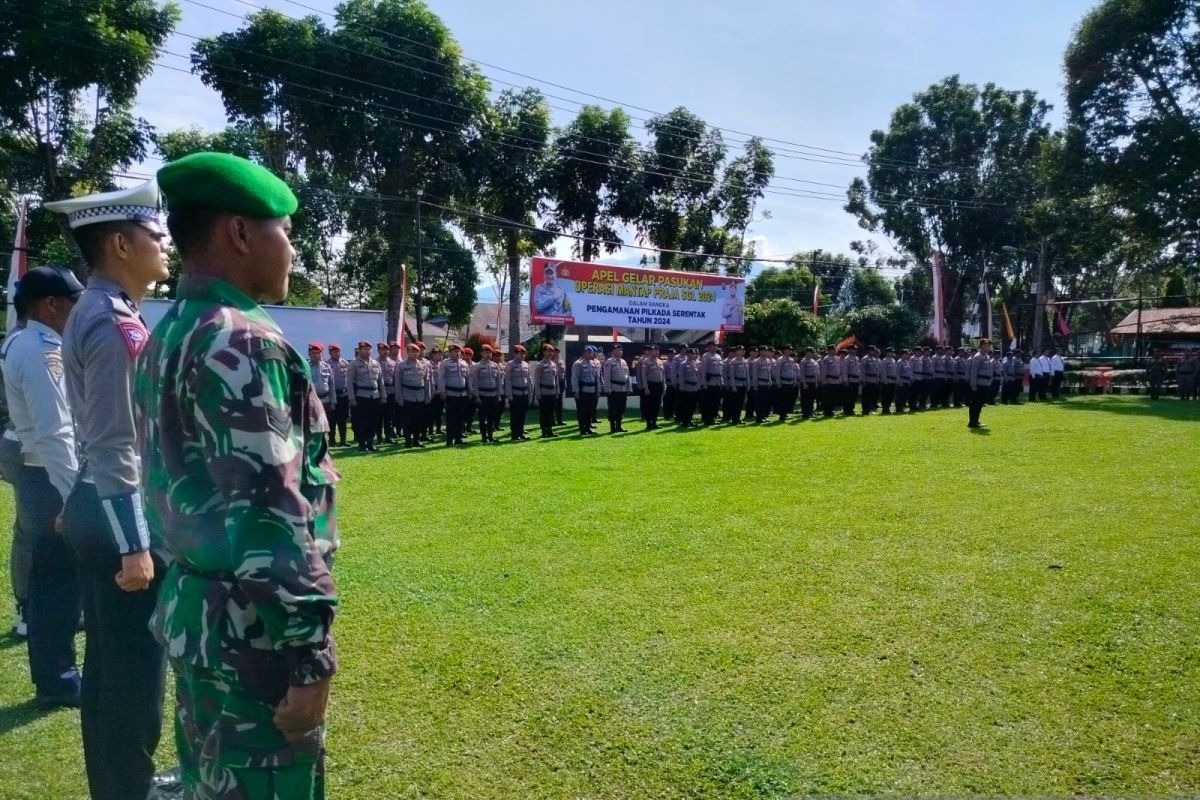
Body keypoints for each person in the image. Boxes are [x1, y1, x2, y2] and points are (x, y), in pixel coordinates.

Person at [137, 152, 339, 799]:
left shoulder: (166, 334)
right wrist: (309, 654)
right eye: (283, 228)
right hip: (254, 639)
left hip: (201, 623)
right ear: (240, 233)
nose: (292, 246)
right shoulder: (241, 340)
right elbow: (267, 513)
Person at [48, 179, 178, 800]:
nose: (166, 245)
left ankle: (121, 783)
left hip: (96, 506)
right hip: (122, 516)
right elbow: (113, 439)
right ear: (121, 244)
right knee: (133, 671)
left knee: (108, 666)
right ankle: (133, 788)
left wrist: (78, 503)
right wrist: (134, 544)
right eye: (156, 235)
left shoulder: (99, 312)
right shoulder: (112, 323)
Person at [1, 266, 84, 708]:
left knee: (52, 576)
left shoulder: (25, 341)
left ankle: (57, 671)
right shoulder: (40, 350)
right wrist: (72, 495)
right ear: (51, 306)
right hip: (47, 472)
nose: (78, 311)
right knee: (57, 577)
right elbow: (55, 430)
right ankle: (58, 678)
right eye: (73, 303)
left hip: (39, 468)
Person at [0, 308, 31, 640]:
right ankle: (27, 609)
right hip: (27, 446)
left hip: (24, 443)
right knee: (32, 533)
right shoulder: (26, 343)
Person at [347, 340, 382, 452]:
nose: (367, 351)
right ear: (359, 350)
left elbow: (380, 381)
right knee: (361, 421)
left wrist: (383, 396)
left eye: (368, 349)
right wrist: (352, 398)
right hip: (361, 396)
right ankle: (362, 444)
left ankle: (370, 442)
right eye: (364, 349)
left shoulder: (376, 363)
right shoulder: (354, 364)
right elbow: (350, 382)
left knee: (373, 420)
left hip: (375, 396)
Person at [396, 343, 431, 448]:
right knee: (408, 420)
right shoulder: (401, 365)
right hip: (407, 395)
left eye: (416, 351)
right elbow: (398, 383)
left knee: (418, 420)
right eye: (411, 352)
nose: (414, 354)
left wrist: (427, 396)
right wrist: (399, 398)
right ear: (408, 352)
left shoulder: (423, 365)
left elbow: (427, 381)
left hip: (420, 396)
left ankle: (417, 440)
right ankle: (408, 441)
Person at [439, 343, 472, 446]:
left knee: (461, 417)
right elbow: (442, 378)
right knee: (451, 418)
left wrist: (469, 391)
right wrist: (443, 391)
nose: (457, 354)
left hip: (462, 394)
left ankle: (458, 438)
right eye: (454, 352)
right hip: (451, 394)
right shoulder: (445, 363)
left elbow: (468, 379)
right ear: (450, 353)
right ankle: (450, 439)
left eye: (458, 352)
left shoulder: (464, 364)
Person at [472, 344, 503, 444]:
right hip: (482, 395)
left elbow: (498, 381)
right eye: (486, 353)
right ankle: (484, 437)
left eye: (490, 353)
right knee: (482, 417)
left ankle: (490, 436)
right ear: (481, 353)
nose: (488, 354)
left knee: (491, 417)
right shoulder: (477, 366)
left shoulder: (495, 365)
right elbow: (475, 382)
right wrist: (476, 396)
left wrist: (499, 395)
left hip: (493, 395)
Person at [571, 345, 603, 435]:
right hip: (582, 391)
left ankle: (588, 427)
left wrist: (598, 390)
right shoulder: (578, 364)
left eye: (591, 353)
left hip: (592, 390)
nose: (590, 355)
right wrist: (576, 391)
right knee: (582, 411)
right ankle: (582, 428)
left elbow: (597, 378)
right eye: (588, 353)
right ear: (583, 354)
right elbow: (575, 378)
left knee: (590, 410)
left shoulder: (594, 364)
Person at [533, 344, 561, 438]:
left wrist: (557, 392)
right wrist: (538, 393)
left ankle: (550, 430)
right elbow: (537, 380)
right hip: (544, 392)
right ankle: (544, 431)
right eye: (548, 351)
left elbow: (556, 379)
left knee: (551, 413)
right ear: (543, 352)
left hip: (552, 392)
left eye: (551, 352)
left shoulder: (553, 364)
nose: (550, 353)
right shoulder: (540, 365)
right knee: (544, 413)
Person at [309, 345, 335, 446]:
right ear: (309, 354)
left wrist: (333, 401)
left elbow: (331, 385)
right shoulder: (306, 366)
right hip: (312, 401)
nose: (316, 355)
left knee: (326, 424)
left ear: (322, 354)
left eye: (318, 353)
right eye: (314, 353)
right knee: (313, 424)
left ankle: (325, 445)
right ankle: (314, 445)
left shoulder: (327, 367)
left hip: (326, 400)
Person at [601, 344, 630, 433]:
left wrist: (629, 387)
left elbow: (627, 376)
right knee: (613, 408)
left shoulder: (624, 362)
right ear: (613, 352)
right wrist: (608, 389)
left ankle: (619, 426)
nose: (619, 352)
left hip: (623, 389)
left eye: (620, 350)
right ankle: (613, 427)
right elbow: (607, 376)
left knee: (621, 408)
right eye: (617, 350)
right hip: (614, 389)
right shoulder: (609, 362)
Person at [505, 345, 532, 441]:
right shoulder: (510, 364)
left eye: (523, 353)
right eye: (520, 353)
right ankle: (514, 434)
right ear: (515, 354)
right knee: (515, 415)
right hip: (515, 393)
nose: (522, 355)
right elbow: (507, 380)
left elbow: (529, 379)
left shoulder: (525, 364)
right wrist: (509, 394)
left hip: (524, 392)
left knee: (522, 414)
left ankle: (521, 432)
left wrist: (530, 393)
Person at [967, 338, 995, 429]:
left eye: (989, 346)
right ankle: (972, 422)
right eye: (986, 345)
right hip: (978, 384)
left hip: (985, 384)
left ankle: (976, 421)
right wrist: (973, 384)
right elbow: (974, 372)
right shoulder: (977, 357)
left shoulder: (987, 357)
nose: (988, 347)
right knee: (975, 403)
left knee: (980, 403)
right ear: (981, 346)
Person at [326, 344, 350, 446]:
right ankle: (332, 440)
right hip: (333, 395)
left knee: (343, 419)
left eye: (338, 352)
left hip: (344, 395)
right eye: (335, 352)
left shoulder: (345, 363)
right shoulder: (327, 364)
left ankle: (343, 440)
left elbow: (348, 379)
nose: (337, 353)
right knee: (332, 419)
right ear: (330, 353)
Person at [638, 345, 665, 430]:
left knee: (657, 405)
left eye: (657, 351)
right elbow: (644, 376)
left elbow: (663, 375)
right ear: (650, 352)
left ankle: (654, 422)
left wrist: (664, 386)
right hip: (650, 385)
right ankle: (649, 424)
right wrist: (646, 388)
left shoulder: (660, 361)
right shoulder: (646, 361)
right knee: (649, 405)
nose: (656, 352)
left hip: (659, 385)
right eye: (654, 351)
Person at [723, 345, 750, 423]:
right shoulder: (733, 361)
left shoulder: (745, 361)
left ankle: (738, 418)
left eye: (743, 350)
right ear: (737, 352)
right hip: (737, 384)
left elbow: (747, 374)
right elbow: (731, 375)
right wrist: (733, 386)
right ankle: (734, 419)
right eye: (740, 350)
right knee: (735, 402)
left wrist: (748, 384)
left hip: (743, 384)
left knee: (741, 403)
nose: (742, 352)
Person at [700, 342, 724, 425]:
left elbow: (720, 371)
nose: (715, 347)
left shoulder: (718, 356)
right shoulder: (706, 356)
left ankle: (713, 418)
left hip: (717, 382)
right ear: (709, 347)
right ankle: (707, 419)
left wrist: (721, 383)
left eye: (716, 346)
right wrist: (704, 383)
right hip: (709, 382)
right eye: (713, 346)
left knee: (716, 402)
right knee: (708, 402)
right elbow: (703, 371)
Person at [377, 342, 397, 443]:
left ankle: (388, 437)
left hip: (391, 391)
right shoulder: (375, 362)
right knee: (378, 416)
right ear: (378, 351)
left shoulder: (393, 363)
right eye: (382, 350)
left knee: (389, 416)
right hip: (379, 392)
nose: (384, 352)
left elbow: (395, 379)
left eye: (386, 350)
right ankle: (379, 437)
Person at [750, 345, 776, 423]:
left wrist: (770, 381)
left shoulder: (767, 361)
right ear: (761, 352)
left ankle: (763, 416)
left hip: (767, 383)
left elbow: (768, 372)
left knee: (765, 401)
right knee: (759, 401)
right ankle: (759, 418)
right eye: (764, 351)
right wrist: (755, 385)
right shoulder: (757, 361)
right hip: (760, 384)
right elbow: (755, 374)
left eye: (766, 351)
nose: (766, 352)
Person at [426, 347, 444, 439]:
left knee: (439, 412)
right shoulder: (428, 364)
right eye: (437, 354)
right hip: (432, 391)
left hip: (440, 391)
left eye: (440, 354)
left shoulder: (442, 365)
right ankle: (430, 429)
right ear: (433, 355)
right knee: (431, 412)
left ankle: (438, 428)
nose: (440, 356)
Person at [819, 345, 841, 418]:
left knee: (833, 397)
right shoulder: (826, 359)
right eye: (833, 349)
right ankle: (827, 411)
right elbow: (823, 371)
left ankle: (831, 410)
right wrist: (824, 381)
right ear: (829, 350)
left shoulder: (836, 358)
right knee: (828, 397)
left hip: (836, 380)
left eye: (835, 349)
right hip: (829, 380)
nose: (835, 351)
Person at [799, 347, 820, 419]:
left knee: (811, 399)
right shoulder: (803, 361)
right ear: (806, 353)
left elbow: (817, 373)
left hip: (813, 382)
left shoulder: (814, 362)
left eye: (811, 352)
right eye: (808, 352)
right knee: (805, 399)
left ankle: (810, 412)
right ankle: (806, 413)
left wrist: (817, 382)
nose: (809, 353)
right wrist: (804, 383)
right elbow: (802, 374)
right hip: (806, 382)